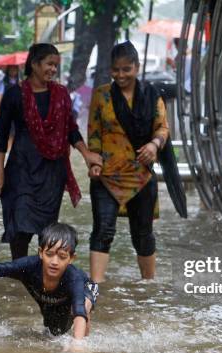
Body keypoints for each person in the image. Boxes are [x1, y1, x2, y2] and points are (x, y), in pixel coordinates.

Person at [0, 43, 102, 260]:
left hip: (52, 171)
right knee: (20, 228)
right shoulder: (14, 95)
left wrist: (86, 154)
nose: (53, 69)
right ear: (34, 64)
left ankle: (43, 279)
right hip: (21, 168)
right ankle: (19, 276)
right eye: (49, 64)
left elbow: (71, 129)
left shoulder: (61, 94)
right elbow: (2, 135)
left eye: (56, 66)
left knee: (46, 232)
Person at [87, 41, 170, 283]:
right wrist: (93, 161)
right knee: (103, 230)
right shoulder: (102, 95)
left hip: (141, 175)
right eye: (116, 69)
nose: (120, 75)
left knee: (143, 234)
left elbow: (163, 128)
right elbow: (94, 133)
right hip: (106, 174)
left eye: (126, 69)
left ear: (137, 67)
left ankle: (147, 286)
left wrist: (154, 145)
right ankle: (96, 287)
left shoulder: (152, 96)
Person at [0, 220, 98, 343]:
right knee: (54, 333)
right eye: (49, 254)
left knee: (81, 308)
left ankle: (83, 345)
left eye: (62, 257)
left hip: (85, 290)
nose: (54, 262)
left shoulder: (74, 278)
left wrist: (77, 346)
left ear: (71, 258)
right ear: (41, 253)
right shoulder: (28, 266)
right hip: (51, 297)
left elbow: (79, 311)